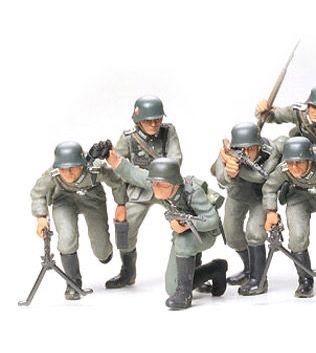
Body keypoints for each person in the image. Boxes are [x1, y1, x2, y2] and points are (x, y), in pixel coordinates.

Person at [106, 150, 227, 310]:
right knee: (171, 287)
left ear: (175, 183)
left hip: (205, 234)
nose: (156, 188)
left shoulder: (192, 193)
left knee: (182, 242)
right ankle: (216, 269)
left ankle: (184, 294)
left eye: (162, 185)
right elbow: (135, 174)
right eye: (154, 183)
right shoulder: (158, 183)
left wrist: (184, 223)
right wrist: (114, 161)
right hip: (185, 231)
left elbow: (212, 220)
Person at [30, 141, 127, 300]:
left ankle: (104, 254)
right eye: (63, 169)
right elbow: (37, 192)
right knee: (66, 238)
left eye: (73, 168)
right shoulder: (53, 173)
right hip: (64, 199)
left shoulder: (96, 169)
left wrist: (121, 204)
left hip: (92, 197)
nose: (68, 173)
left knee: (102, 249)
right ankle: (73, 282)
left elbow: (117, 183)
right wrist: (41, 217)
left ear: (82, 164)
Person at [105, 95, 183, 290]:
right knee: (125, 230)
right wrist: (121, 203)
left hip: (167, 188)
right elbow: (118, 169)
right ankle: (128, 272)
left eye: (158, 119)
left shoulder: (169, 132)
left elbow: (176, 159)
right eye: (149, 121)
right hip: (138, 192)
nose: (154, 124)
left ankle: (191, 269)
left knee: (187, 223)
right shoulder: (128, 138)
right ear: (138, 121)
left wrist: (159, 179)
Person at [211, 122, 281, 296]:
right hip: (237, 195)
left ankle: (259, 279)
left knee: (255, 233)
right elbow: (220, 178)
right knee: (232, 235)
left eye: (251, 148)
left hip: (260, 197)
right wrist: (228, 171)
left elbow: (261, 176)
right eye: (241, 149)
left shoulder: (270, 151)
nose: (246, 153)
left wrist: (238, 170)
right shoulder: (228, 152)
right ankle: (249, 269)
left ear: (259, 145)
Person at [262, 137, 316, 297]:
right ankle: (305, 280)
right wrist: (270, 211)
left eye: (299, 162)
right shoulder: (284, 168)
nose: (294, 167)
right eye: (291, 162)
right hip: (298, 196)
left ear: (309, 160)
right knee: (297, 237)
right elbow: (269, 187)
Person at [255, 85, 316, 153]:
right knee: (281, 143)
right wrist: (262, 110)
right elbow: (272, 117)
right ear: (308, 105)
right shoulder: (298, 112)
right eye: (315, 107)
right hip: (298, 149)